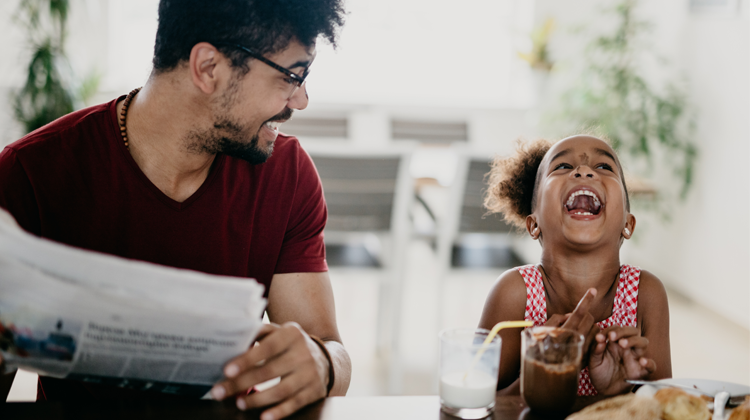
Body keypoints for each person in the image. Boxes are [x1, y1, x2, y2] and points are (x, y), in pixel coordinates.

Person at [0, 0, 350, 418]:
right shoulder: (31, 172)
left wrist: (324, 364)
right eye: (292, 76)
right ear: (208, 68)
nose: (301, 100)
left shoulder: (287, 174)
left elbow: (328, 346)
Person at [478, 134, 671, 397]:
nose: (583, 170)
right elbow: (475, 403)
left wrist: (621, 390)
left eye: (604, 167)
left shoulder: (646, 294)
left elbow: (665, 405)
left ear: (628, 223)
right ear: (533, 224)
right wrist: (546, 371)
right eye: (562, 167)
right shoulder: (514, 294)